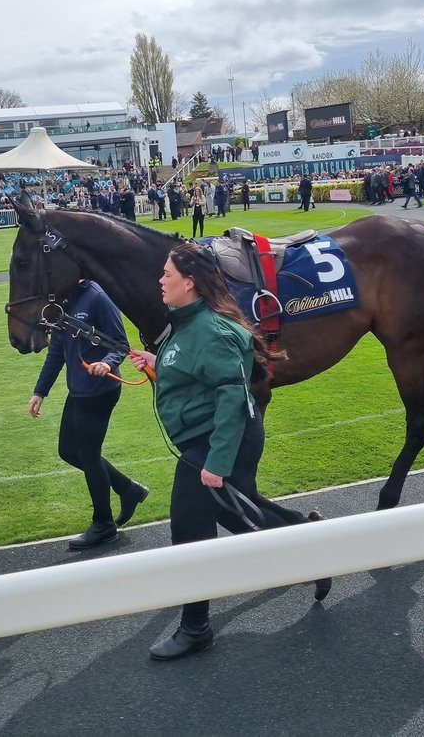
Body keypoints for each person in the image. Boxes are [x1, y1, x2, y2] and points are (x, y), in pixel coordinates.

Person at [130, 244, 329, 660]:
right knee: (238, 513)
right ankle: (308, 542)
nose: (160, 280)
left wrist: (216, 463)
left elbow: (232, 399)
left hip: (219, 441)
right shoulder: (187, 323)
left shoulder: (212, 330)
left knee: (190, 533)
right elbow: (196, 370)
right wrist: (158, 361)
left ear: (190, 282)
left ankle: (195, 628)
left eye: (167, 274)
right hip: (211, 439)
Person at [29, 280, 148, 550]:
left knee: (88, 456)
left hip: (99, 391)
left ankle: (104, 524)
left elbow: (120, 344)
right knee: (67, 451)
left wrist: (107, 363)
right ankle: (128, 489)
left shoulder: (97, 298)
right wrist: (40, 391)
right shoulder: (63, 300)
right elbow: (57, 351)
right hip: (79, 390)